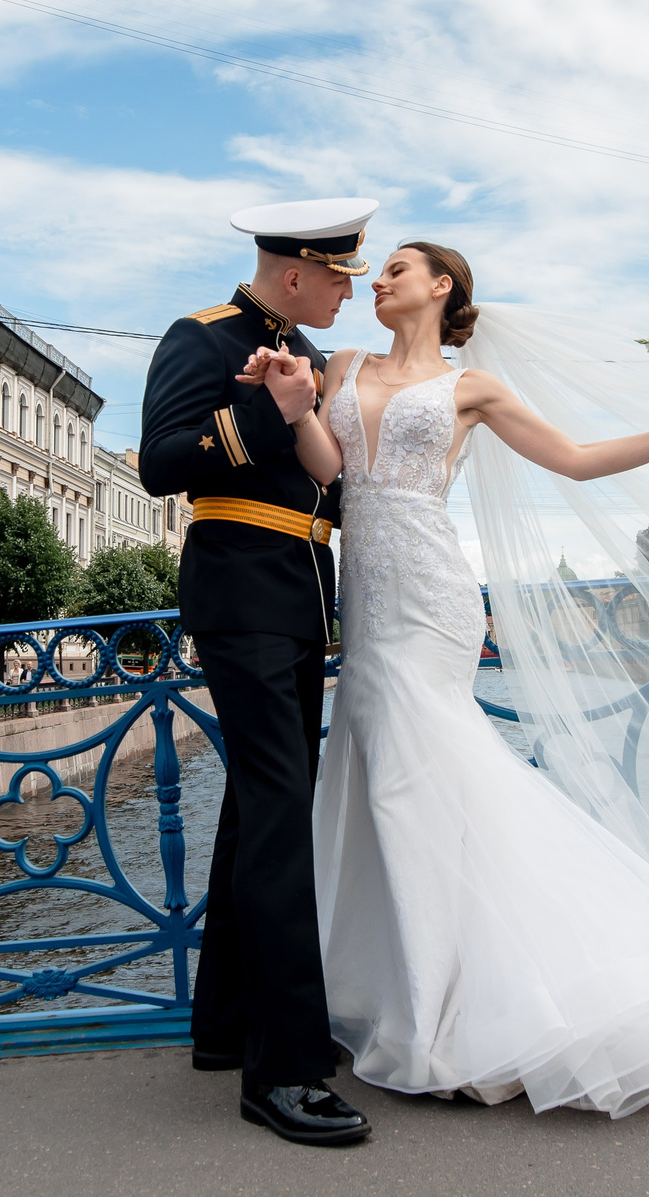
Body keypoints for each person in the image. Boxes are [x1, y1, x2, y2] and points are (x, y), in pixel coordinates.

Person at [238, 242, 649, 1117]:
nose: (375, 280)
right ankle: (418, 993)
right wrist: (292, 403)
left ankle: (457, 1014)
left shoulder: (473, 388)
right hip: (367, 597)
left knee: (423, 787)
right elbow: (331, 473)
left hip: (433, 599)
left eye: (395, 268)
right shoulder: (338, 361)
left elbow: (573, 459)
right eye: (374, 271)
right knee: (388, 789)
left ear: (442, 285)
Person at [138, 198, 377, 1148]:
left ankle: (225, 1026)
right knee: (282, 822)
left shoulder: (306, 356)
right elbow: (160, 464)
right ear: (293, 274)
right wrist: (262, 409)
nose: (345, 294)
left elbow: (325, 484)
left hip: (296, 596)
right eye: (337, 279)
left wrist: (302, 406)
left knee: (256, 810)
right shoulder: (201, 336)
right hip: (238, 589)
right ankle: (284, 1069)